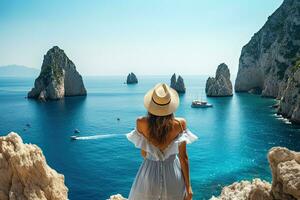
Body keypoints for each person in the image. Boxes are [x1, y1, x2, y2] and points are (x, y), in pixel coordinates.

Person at [126, 83, 198, 200]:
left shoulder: (141, 123)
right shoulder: (180, 124)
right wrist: (189, 187)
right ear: (170, 105)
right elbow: (183, 158)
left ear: (151, 105)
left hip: (148, 176)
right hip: (173, 176)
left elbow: (144, 154)